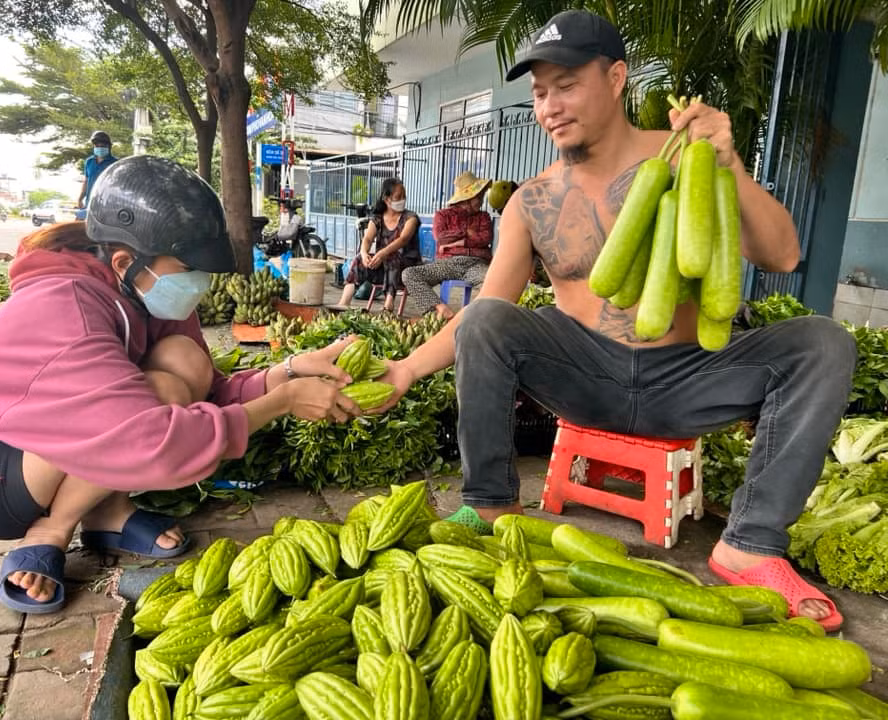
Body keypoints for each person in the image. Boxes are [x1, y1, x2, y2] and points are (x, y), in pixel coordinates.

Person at [376, 10, 855, 631]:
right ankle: (490, 506)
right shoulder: (530, 201)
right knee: (488, 318)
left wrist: (730, 162)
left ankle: (751, 544)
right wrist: (406, 371)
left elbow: (784, 255)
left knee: (821, 343)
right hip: (583, 378)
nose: (550, 106)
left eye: (567, 85)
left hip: (687, 376)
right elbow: (483, 316)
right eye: (540, 92)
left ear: (616, 77)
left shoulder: (685, 158)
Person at [0, 156, 362, 614]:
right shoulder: (65, 305)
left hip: (57, 442)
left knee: (184, 363)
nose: (199, 283)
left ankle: (107, 515)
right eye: (187, 267)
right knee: (152, 406)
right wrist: (282, 403)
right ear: (124, 260)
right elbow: (153, 443)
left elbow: (211, 391)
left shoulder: (145, 292)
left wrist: (287, 371)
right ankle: (52, 529)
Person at [402, 171, 495, 320]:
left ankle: (476, 319)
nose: (481, 200)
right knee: (409, 274)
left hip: (476, 264)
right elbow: (440, 237)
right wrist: (467, 232)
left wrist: (457, 241)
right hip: (448, 263)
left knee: (494, 281)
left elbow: (485, 239)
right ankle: (441, 311)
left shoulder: (483, 217)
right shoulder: (443, 215)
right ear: (468, 198)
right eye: (479, 196)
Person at [334, 178, 421, 312]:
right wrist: (364, 254)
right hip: (384, 268)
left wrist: (382, 253)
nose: (402, 200)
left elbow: (403, 239)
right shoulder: (378, 219)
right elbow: (368, 239)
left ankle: (388, 305)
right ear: (386, 199)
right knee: (358, 260)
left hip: (408, 269)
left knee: (392, 256)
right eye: (398, 197)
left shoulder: (411, 218)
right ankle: (344, 303)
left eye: (404, 196)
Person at [77, 130, 118, 209]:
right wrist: (80, 199)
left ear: (108, 147)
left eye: (102, 145)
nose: (99, 148)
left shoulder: (115, 163)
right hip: (90, 203)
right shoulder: (89, 162)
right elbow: (86, 182)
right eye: (97, 145)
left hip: (107, 205)